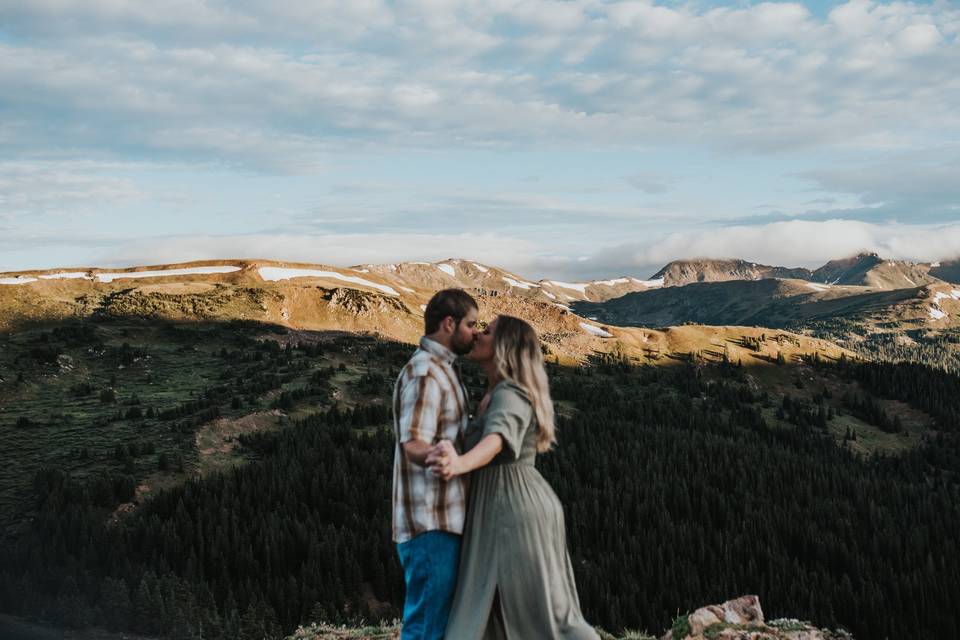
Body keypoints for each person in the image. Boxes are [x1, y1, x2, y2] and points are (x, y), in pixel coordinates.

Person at [428, 315, 599, 640]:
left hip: (513, 509)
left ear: (504, 347)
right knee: (501, 612)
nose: (477, 334)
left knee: (540, 614)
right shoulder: (496, 393)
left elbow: (498, 439)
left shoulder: (511, 393)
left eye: (487, 331)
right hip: (503, 506)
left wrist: (460, 464)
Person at [391, 288, 479, 640]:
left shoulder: (442, 369)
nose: (476, 331)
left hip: (442, 520)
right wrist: (440, 457)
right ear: (449, 323)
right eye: (471, 324)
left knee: (435, 625)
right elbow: (412, 441)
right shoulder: (426, 373)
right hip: (430, 522)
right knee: (426, 628)